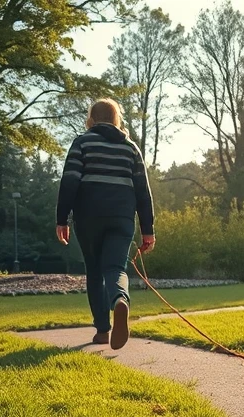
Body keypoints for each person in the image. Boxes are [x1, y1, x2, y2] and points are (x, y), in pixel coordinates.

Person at [55, 98, 155, 350]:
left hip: (88, 217)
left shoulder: (82, 143)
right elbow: (143, 192)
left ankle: (102, 331)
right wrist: (148, 230)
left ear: (91, 119)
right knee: (115, 267)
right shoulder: (131, 148)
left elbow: (69, 181)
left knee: (94, 271)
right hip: (122, 217)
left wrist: (62, 218)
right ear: (116, 120)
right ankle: (120, 300)